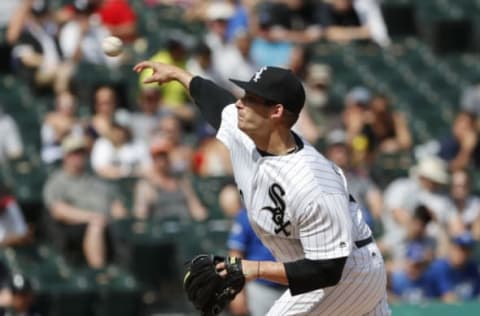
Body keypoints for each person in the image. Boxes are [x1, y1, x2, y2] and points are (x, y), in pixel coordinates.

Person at [133, 62, 390, 315]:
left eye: (251, 98)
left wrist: (251, 269)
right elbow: (214, 100)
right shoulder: (246, 130)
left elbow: (328, 270)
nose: (239, 103)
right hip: (333, 271)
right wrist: (177, 74)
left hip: (349, 274)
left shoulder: (313, 183)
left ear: (276, 111)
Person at [43, 135, 127, 268]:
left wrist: (121, 217)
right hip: (79, 228)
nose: (78, 157)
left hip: (109, 225)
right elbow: (58, 210)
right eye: (74, 153)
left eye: (81, 153)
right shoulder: (57, 181)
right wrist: (92, 217)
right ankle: (99, 272)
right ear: (65, 156)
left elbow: (117, 205)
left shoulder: (96, 180)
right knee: (96, 225)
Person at [428, 232, 480, 302]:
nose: (464, 254)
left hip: (468, 310)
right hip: (442, 311)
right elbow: (449, 298)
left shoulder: (472, 267)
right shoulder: (440, 268)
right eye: (461, 249)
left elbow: (477, 293)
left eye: (468, 250)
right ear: (452, 248)